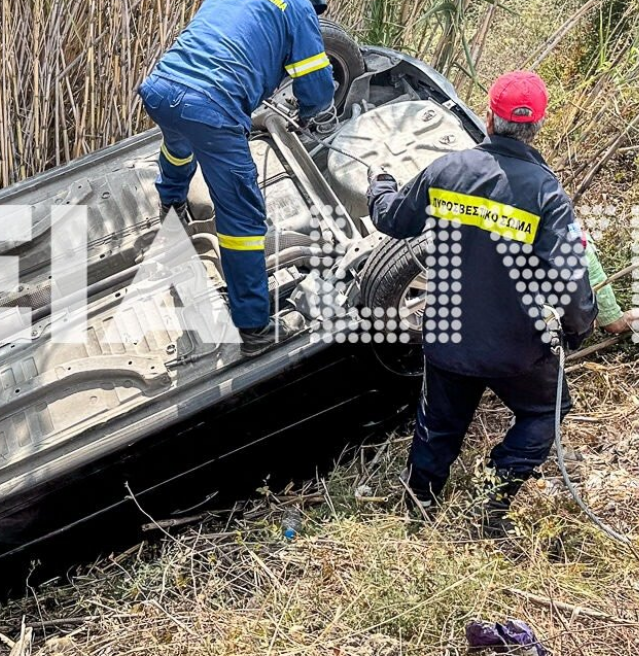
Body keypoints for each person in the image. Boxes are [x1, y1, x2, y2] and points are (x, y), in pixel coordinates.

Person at [366, 71, 598, 537]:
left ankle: (420, 513)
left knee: (438, 430)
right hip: (517, 347)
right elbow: (573, 278)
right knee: (542, 413)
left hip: (450, 339)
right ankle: (492, 499)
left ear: (489, 117)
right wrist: (578, 328)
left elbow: (393, 219)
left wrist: (380, 184)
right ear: (536, 126)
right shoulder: (545, 194)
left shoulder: (448, 171)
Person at [138, 0, 335, 356]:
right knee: (242, 220)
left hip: (162, 87)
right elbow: (317, 85)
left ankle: (170, 200)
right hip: (211, 108)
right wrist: (310, 114)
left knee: (179, 144)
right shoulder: (297, 7)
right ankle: (255, 327)